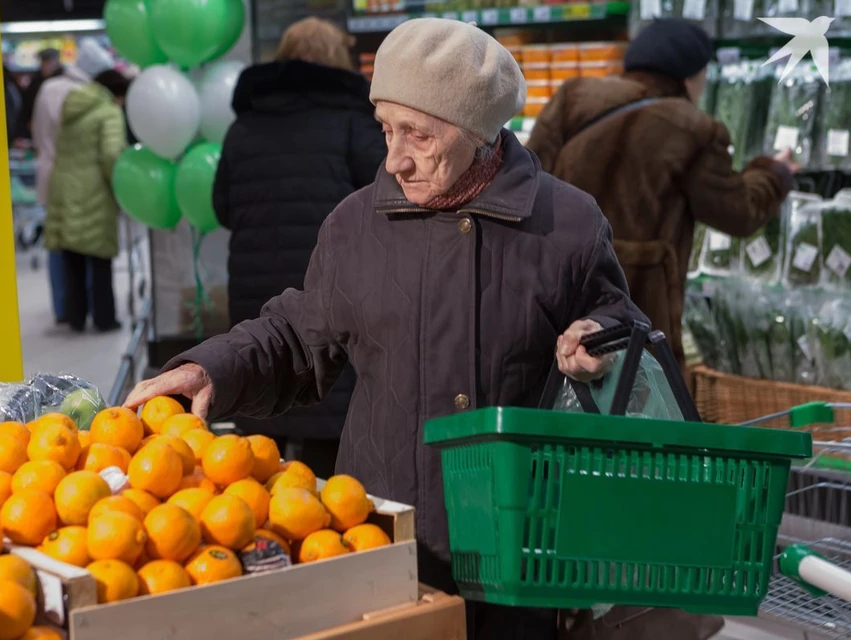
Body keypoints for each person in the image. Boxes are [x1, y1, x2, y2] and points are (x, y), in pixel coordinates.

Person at [126, 19, 646, 638]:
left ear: (479, 131)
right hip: (391, 539)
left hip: (527, 545)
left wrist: (600, 340)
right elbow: (297, 336)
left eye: (418, 134)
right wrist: (211, 366)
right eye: (385, 130)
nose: (395, 158)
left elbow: (625, 328)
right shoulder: (355, 225)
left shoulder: (566, 222)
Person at [527, 18, 797, 376]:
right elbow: (739, 211)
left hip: (557, 290)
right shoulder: (693, 128)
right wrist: (774, 173)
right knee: (638, 405)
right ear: (689, 77)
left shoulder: (573, 97)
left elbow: (530, 179)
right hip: (637, 301)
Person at [211, 17, 386, 479]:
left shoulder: (243, 127)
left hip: (255, 284)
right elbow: (387, 202)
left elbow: (222, 207)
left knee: (262, 380)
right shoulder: (355, 123)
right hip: (329, 286)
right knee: (326, 409)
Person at [31, 39, 116, 325]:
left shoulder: (51, 90)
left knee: (62, 250)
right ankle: (101, 315)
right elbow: (109, 152)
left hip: (56, 177)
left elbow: (40, 134)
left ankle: (68, 312)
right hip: (88, 182)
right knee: (96, 253)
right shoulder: (94, 101)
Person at [45, 69, 129, 333]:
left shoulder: (72, 107)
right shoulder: (108, 111)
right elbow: (111, 154)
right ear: (117, 93)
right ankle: (105, 319)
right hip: (95, 190)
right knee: (100, 258)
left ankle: (76, 317)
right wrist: (120, 186)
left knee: (73, 257)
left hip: (64, 186)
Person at [13, 48, 62, 144]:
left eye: (48, 62)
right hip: (37, 132)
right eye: (43, 62)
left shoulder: (63, 82)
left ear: (56, 62)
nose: (44, 66)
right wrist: (20, 135)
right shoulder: (35, 83)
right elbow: (26, 110)